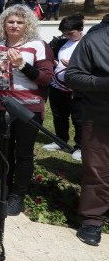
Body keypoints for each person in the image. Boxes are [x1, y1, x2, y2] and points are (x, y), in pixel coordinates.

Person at [0, 4, 53, 216]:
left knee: (23, 153)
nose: (14, 25)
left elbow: (46, 78)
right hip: (0, 107)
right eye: (10, 21)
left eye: (20, 22)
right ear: (4, 24)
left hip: (28, 109)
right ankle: (4, 186)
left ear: (28, 24)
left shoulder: (38, 45)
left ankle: (19, 195)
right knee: (4, 151)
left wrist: (22, 65)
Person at [65, 23, 109, 246]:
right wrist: (104, 83)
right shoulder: (94, 39)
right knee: (98, 171)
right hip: (100, 117)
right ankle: (92, 219)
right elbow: (72, 76)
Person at [44, 15, 84, 160]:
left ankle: (80, 147)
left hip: (77, 89)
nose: (67, 37)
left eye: (71, 33)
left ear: (81, 29)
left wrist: (75, 65)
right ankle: (60, 141)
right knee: (59, 115)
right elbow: (52, 54)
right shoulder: (61, 42)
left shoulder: (87, 43)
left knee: (78, 119)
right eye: (65, 34)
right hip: (57, 87)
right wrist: (54, 60)